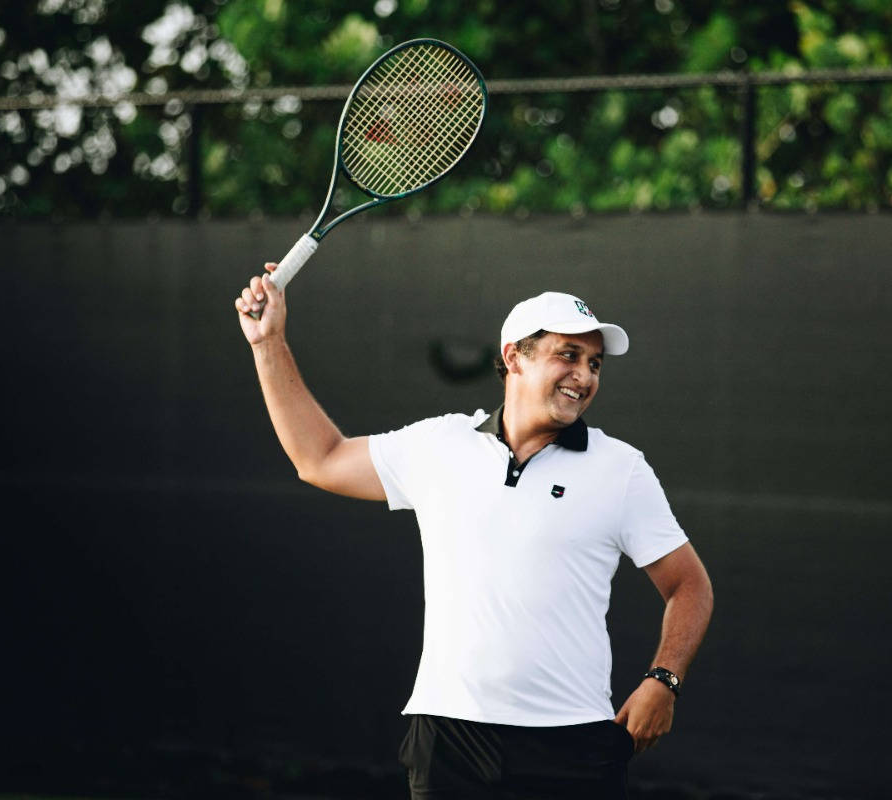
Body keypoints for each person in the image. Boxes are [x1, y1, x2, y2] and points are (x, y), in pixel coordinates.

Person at [235, 266, 713, 799]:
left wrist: (663, 681)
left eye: (595, 363)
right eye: (568, 356)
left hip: (574, 744)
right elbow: (319, 458)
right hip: (449, 741)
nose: (586, 376)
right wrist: (268, 342)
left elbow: (689, 585)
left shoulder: (621, 469)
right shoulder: (441, 444)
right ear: (514, 357)